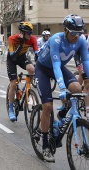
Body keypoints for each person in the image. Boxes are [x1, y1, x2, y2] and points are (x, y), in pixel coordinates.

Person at [35, 14, 89, 162]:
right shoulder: (56, 39)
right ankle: (45, 145)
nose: (77, 36)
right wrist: (62, 88)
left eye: (79, 33)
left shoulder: (81, 40)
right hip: (44, 68)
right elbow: (56, 65)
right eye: (74, 33)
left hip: (59, 67)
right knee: (47, 106)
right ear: (65, 30)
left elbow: (85, 61)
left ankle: (62, 115)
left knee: (77, 88)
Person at [7, 21, 38, 121]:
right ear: (22, 33)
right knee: (13, 83)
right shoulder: (12, 39)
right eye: (28, 33)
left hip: (22, 58)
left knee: (32, 69)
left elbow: (37, 54)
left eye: (31, 33)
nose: (30, 35)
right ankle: (11, 109)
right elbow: (13, 56)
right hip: (12, 59)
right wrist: (21, 44)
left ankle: (26, 88)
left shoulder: (32, 39)